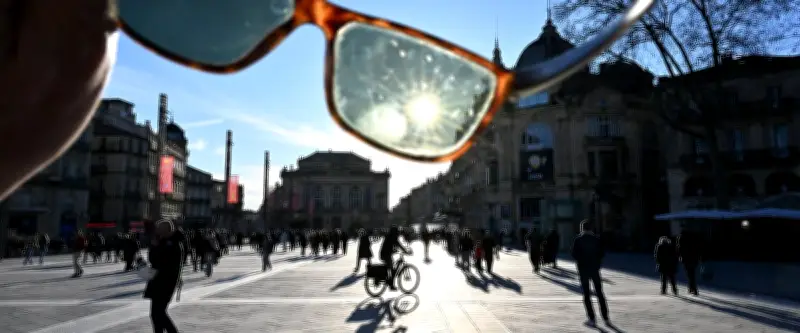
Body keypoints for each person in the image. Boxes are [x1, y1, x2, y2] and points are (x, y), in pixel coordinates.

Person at [143, 220, 183, 333]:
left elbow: (164, 262)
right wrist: (154, 247)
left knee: (158, 313)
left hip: (166, 282)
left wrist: (155, 248)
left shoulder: (173, 244)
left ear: (166, 230)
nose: (157, 230)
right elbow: (153, 260)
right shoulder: (162, 241)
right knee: (155, 314)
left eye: (159, 228)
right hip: (158, 281)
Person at [571, 220, 610, 327]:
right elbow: (602, 253)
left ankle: (592, 318)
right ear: (591, 229)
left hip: (583, 270)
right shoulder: (597, 239)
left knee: (587, 295)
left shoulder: (578, 240)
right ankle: (606, 317)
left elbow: (574, 254)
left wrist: (581, 261)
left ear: (582, 228)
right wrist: (597, 263)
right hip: (595, 269)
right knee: (600, 293)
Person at [379, 226, 412, 290]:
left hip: (386, 254)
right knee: (391, 268)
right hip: (385, 255)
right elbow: (399, 245)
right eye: (397, 232)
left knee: (392, 267)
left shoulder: (390, 236)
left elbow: (393, 246)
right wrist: (406, 251)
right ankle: (391, 285)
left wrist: (396, 250)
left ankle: (390, 282)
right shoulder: (393, 237)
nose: (398, 233)